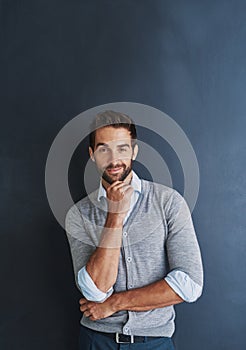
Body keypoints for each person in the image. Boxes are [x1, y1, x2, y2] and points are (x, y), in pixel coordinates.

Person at [65, 110, 204, 350]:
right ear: (92, 154)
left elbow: (189, 285)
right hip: (97, 342)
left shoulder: (169, 202)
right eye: (103, 149)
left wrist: (115, 303)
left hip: (155, 343)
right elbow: (96, 292)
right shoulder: (78, 214)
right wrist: (115, 215)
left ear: (134, 151)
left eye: (122, 148)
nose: (113, 158)